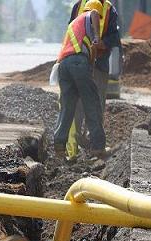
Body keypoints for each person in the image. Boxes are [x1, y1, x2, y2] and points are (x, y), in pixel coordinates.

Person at [66, 0, 121, 159]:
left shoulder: (109, 9)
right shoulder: (78, 6)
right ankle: (73, 148)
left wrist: (102, 44)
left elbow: (114, 37)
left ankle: (96, 147)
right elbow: (70, 30)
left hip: (99, 65)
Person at [53, 0, 107, 159]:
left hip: (64, 66)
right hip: (77, 62)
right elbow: (95, 14)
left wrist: (90, 66)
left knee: (67, 107)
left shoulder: (75, 26)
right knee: (92, 102)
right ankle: (98, 147)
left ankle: (59, 146)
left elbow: (90, 56)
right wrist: (97, 37)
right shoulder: (89, 15)